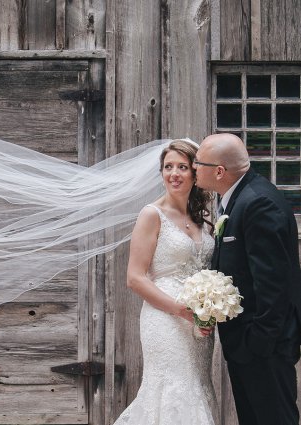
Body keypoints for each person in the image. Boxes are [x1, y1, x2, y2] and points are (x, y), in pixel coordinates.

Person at [194, 133, 301, 425]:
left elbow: (273, 283)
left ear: (219, 171)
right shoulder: (238, 198)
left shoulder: (257, 203)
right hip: (250, 347)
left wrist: (257, 343)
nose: (193, 168)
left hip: (263, 348)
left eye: (197, 163)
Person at [113, 139, 218, 425]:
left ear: (195, 173)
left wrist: (209, 307)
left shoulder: (201, 218)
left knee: (197, 384)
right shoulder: (151, 214)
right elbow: (135, 278)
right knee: (173, 387)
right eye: (168, 167)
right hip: (165, 318)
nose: (174, 173)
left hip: (198, 321)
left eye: (182, 167)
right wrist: (180, 310)